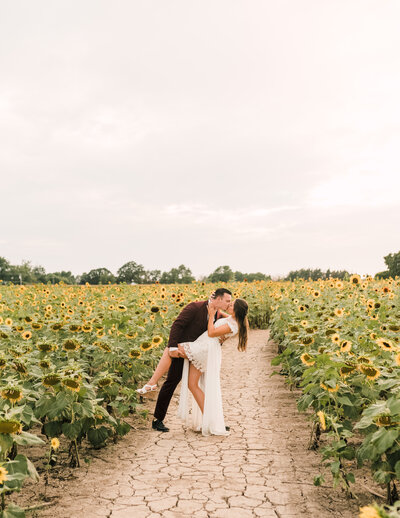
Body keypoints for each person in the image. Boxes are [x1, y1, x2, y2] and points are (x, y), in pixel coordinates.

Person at [149, 288, 233, 432]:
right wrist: (173, 347)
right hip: (184, 350)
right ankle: (158, 419)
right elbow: (177, 325)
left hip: (200, 354)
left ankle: (213, 422)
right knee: (171, 382)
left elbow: (217, 333)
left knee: (206, 386)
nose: (228, 303)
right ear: (218, 299)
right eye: (227, 301)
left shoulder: (218, 315)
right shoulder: (195, 307)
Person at [177, 298, 248, 436]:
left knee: (175, 350)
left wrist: (210, 316)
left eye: (232, 305)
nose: (229, 305)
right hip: (205, 346)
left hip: (206, 349)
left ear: (237, 310)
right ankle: (209, 419)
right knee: (193, 384)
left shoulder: (233, 324)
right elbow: (222, 321)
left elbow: (211, 332)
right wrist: (215, 307)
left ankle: (210, 420)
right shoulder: (233, 319)